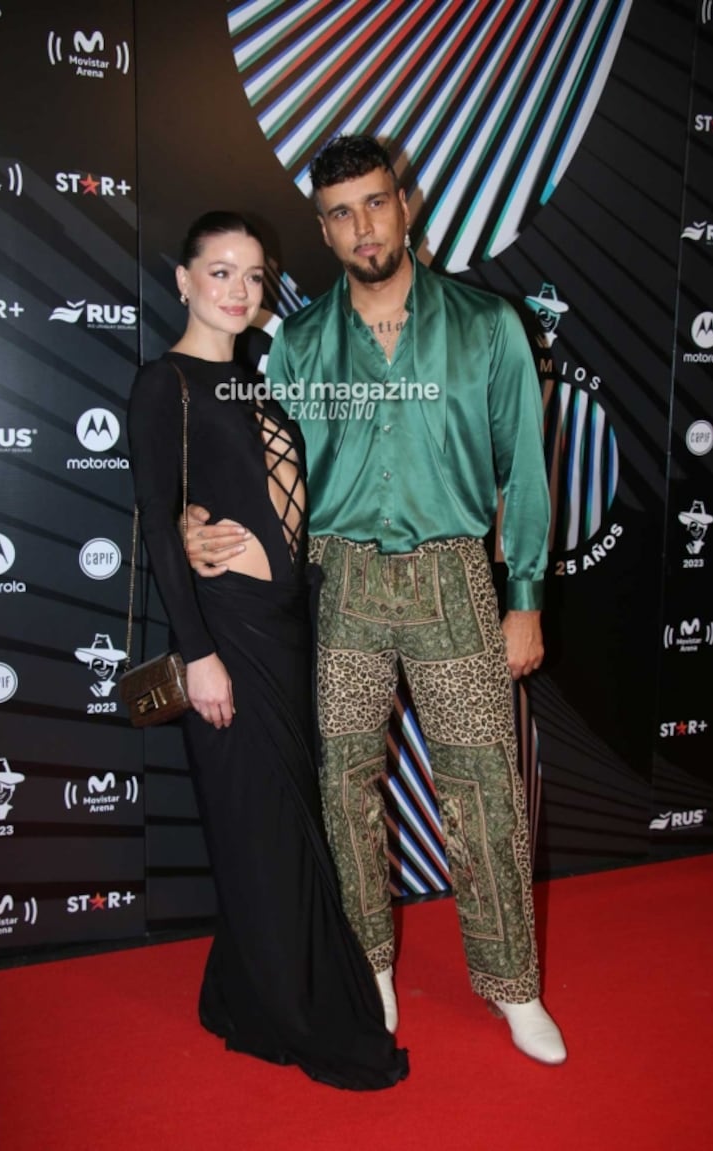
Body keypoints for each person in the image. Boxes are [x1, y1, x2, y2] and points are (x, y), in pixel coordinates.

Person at [184, 138, 567, 1066]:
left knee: (484, 795)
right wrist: (200, 525)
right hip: (338, 581)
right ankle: (371, 970)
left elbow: (524, 469)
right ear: (323, 229)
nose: (362, 226)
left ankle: (514, 987)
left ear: (406, 204)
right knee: (343, 790)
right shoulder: (301, 345)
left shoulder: (487, 327)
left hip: (454, 581)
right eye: (341, 212)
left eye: (374, 202)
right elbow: (261, 472)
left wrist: (524, 598)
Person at [127, 210, 408, 1090]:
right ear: (183, 280)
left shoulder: (258, 383)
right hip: (228, 638)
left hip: (290, 634)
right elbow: (160, 534)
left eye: (254, 276)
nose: (240, 290)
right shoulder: (160, 385)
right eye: (220, 272)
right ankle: (289, 1008)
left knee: (287, 824)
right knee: (260, 826)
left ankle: (241, 988)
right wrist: (196, 650)